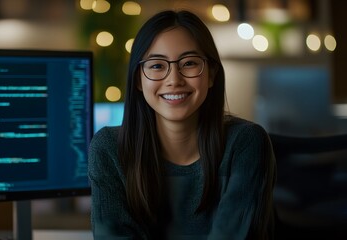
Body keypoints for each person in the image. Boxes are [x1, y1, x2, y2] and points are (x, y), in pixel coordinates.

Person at [88, 9, 276, 240]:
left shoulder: (245, 143)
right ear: (138, 78)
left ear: (211, 74)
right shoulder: (108, 149)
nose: (174, 80)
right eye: (157, 65)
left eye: (189, 63)